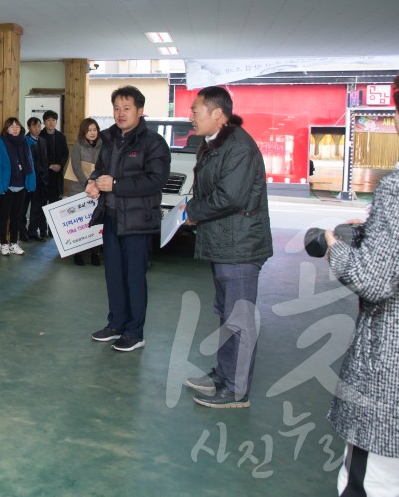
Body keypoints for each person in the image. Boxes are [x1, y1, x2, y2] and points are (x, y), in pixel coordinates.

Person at [320, 73, 399, 495]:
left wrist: (336, 246)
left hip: (390, 367)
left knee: (372, 481)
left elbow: (375, 279)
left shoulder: (397, 188)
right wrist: (375, 230)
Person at [180, 86, 272, 409]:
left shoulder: (238, 148)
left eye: (195, 110)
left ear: (217, 114)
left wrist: (192, 213)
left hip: (241, 247)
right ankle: (224, 374)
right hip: (224, 243)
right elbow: (209, 189)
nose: (190, 116)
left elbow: (229, 197)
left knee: (240, 320)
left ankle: (236, 390)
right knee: (226, 315)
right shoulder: (213, 144)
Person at [86, 86, 170, 353]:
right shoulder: (109, 138)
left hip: (136, 222)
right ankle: (116, 324)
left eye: (127, 108)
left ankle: (135, 332)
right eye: (116, 108)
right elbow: (101, 169)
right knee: (113, 275)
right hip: (110, 217)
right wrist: (93, 182)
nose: (120, 114)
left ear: (140, 111)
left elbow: (156, 180)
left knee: (134, 277)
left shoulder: (153, 142)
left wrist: (116, 184)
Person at [0, 117, 34, 257]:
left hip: (21, 185)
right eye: (12, 126)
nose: (15, 128)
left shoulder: (25, 142)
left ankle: (14, 243)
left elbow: (30, 164)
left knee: (16, 216)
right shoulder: (1, 144)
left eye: (17, 126)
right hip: (6, 187)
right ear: (7, 129)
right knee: (4, 216)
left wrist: (30, 183)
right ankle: (4, 243)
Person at [67, 118, 102, 266]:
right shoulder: (77, 145)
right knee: (80, 222)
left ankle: (95, 253)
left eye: (94, 130)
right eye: (89, 130)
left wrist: (96, 183)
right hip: (79, 188)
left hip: (98, 189)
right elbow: (76, 167)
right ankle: (78, 253)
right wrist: (87, 183)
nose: (92, 133)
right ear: (84, 132)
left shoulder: (103, 145)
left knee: (95, 222)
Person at [23, 117, 50, 241]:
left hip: (41, 180)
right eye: (34, 126)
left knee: (37, 207)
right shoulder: (25, 141)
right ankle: (22, 232)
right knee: (23, 207)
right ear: (29, 127)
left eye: (39, 126)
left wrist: (45, 177)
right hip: (28, 179)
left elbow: (44, 161)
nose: (37, 129)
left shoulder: (43, 141)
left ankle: (33, 231)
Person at [41, 110, 69, 205]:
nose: (51, 122)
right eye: (48, 120)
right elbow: (37, 155)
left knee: (56, 203)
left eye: (53, 120)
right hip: (43, 174)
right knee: (41, 203)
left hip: (57, 175)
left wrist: (60, 165)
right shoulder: (40, 135)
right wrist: (49, 165)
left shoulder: (61, 136)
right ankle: (40, 221)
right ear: (44, 122)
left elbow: (65, 153)